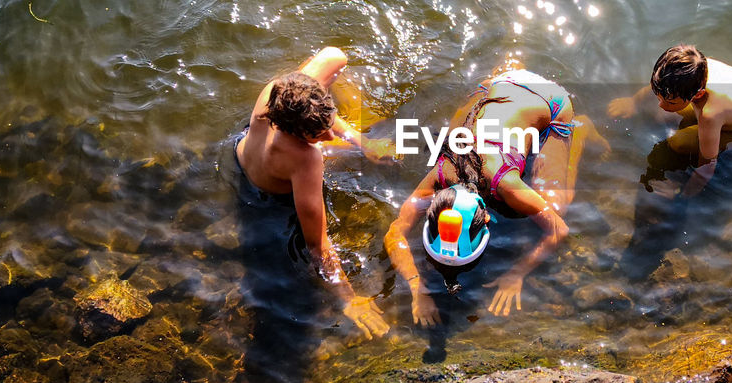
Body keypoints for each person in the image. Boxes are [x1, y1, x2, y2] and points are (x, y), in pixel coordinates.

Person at [384, 60, 586, 325]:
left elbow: (559, 229)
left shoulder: (504, 184)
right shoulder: (441, 173)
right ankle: (510, 69)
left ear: (487, 217)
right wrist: (416, 289)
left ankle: (582, 130)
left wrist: (517, 273)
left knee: (555, 206)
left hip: (548, 98)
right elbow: (395, 231)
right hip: (496, 87)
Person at [235, 46, 391, 339]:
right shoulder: (305, 160)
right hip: (269, 196)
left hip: (244, 150)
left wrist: (358, 140)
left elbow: (334, 55)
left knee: (337, 61)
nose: (329, 136)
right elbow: (317, 245)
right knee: (389, 150)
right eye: (318, 135)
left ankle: (361, 140)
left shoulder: (277, 93)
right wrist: (349, 299)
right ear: (296, 134)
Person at [608, 44, 732, 196]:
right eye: (659, 96)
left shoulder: (710, 114)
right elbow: (661, 83)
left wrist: (683, 193)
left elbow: (707, 165)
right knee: (663, 115)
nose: (661, 104)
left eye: (669, 101)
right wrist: (634, 102)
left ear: (697, 94)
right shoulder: (694, 69)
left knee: (679, 142)